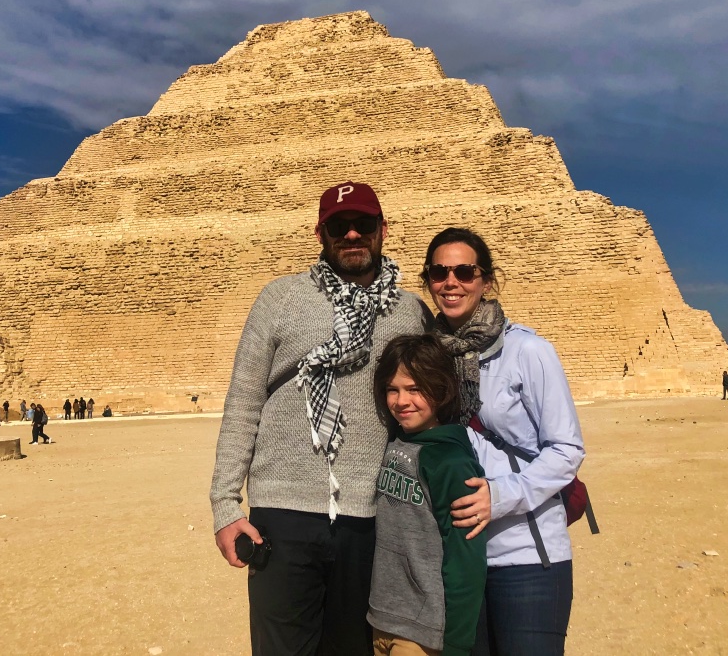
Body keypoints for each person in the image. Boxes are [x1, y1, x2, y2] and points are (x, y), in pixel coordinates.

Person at [210, 181, 430, 656]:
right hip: (282, 515)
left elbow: (436, 407)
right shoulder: (280, 298)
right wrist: (225, 506)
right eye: (338, 226)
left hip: (369, 516)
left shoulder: (411, 311)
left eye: (363, 224)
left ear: (383, 230)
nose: (351, 234)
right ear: (320, 234)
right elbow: (244, 403)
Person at [423, 227, 585, 656]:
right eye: (439, 273)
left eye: (464, 272)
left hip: (525, 557)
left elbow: (567, 449)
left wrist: (499, 496)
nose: (451, 282)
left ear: (487, 281)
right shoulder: (427, 359)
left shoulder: (527, 351)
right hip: (458, 557)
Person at [369, 334, 487, 656]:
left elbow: (466, 559)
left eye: (415, 388)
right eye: (392, 389)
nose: (401, 401)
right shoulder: (395, 442)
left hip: (422, 632)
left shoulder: (451, 463)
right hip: (382, 619)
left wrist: (457, 645)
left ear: (440, 388)